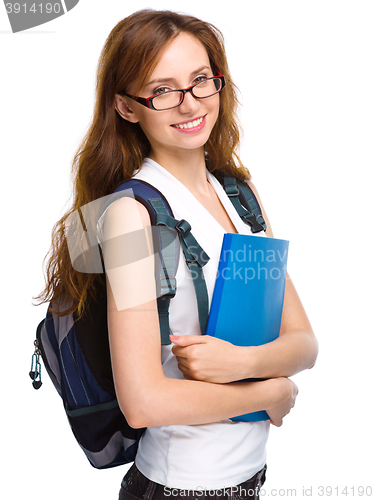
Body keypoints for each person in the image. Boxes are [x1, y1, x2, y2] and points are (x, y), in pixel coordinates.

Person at [36, 9, 318, 500]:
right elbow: (143, 403)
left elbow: (304, 344)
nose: (189, 105)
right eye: (162, 90)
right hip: (179, 487)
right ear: (127, 106)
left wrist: (235, 363)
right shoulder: (130, 215)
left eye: (200, 81)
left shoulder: (240, 194)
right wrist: (269, 390)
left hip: (250, 478)